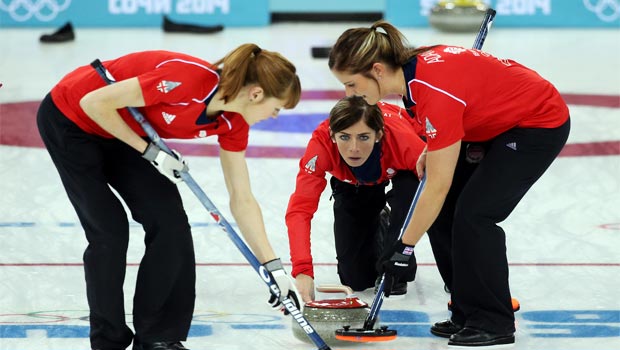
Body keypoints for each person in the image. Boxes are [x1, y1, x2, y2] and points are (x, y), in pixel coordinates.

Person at [36, 44, 301, 350]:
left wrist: (274, 267)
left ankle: (158, 337)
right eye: (276, 108)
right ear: (256, 94)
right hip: (72, 118)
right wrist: (151, 152)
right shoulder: (188, 79)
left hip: (122, 129)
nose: (274, 116)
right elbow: (94, 102)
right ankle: (108, 341)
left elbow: (242, 197)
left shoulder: (233, 122)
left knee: (171, 222)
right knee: (109, 230)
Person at [328, 21, 570, 347]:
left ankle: (492, 320)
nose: (349, 94)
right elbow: (460, 104)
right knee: (445, 214)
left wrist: (403, 247)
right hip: (491, 122)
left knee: (475, 216)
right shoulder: (413, 76)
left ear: (377, 70)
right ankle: (466, 308)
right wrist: (436, 144)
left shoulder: (432, 90)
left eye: (352, 84)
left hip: (535, 124)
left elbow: (436, 185)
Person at [286, 95, 425, 302]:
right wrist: (303, 270)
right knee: (356, 278)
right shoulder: (321, 146)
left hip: (403, 170)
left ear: (378, 134)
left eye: (363, 137)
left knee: (395, 269)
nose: (354, 148)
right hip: (351, 181)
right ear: (332, 135)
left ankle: (393, 241)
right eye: (344, 137)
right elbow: (300, 210)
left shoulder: (404, 141)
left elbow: (441, 190)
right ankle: (382, 222)